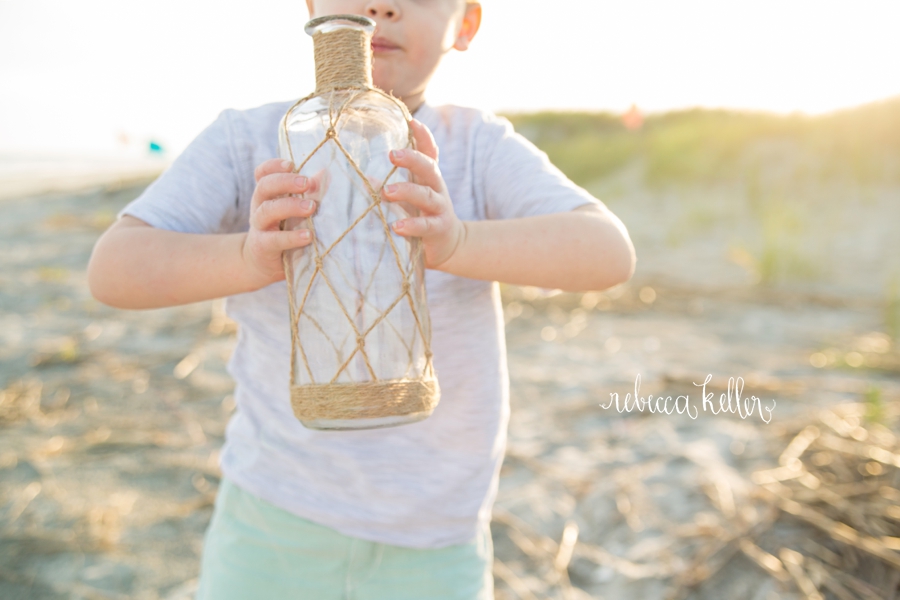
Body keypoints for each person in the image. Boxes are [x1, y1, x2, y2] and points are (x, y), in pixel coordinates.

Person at [87, 0, 636, 598]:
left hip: (435, 535)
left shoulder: (476, 146)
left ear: (467, 24)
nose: (381, 5)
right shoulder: (248, 141)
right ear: (312, 7)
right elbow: (114, 270)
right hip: (271, 517)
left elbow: (607, 252)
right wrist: (246, 258)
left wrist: (457, 241)